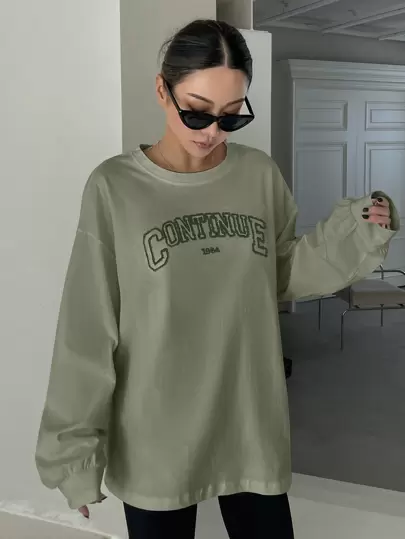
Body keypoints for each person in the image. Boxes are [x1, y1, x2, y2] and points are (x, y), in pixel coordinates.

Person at [35, 19, 398, 539]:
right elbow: (87, 327)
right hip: (156, 432)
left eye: (231, 116)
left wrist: (356, 233)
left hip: (249, 417)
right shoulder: (114, 187)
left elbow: (280, 274)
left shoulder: (258, 175)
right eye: (197, 111)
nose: (211, 132)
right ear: (162, 90)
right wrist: (74, 453)